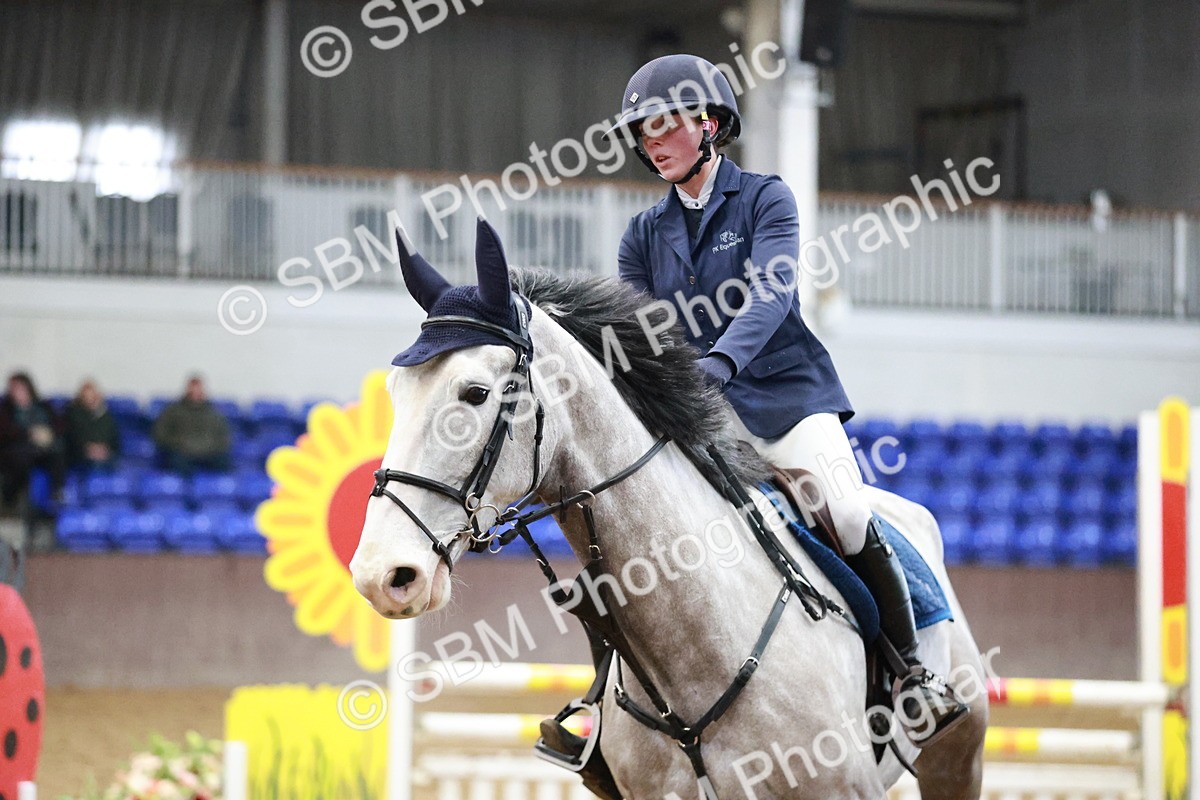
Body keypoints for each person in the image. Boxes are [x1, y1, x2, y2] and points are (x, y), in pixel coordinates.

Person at [609, 54, 968, 745]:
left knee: (848, 511)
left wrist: (718, 363)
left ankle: (912, 673)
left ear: (708, 124)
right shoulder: (641, 236)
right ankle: (606, 708)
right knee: (634, 531)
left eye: (664, 124)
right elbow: (642, 331)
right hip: (702, 414)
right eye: (643, 130)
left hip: (786, 398)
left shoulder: (766, 199)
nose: (652, 141)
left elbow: (772, 293)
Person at [0, 372, 66, 512]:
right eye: (13, 388)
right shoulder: (5, 408)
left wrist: (49, 433)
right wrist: (29, 434)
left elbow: (59, 424)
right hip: (18, 447)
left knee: (59, 450)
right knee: (20, 457)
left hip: (44, 447)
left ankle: (57, 494)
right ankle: (12, 499)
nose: (16, 391)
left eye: (19, 387)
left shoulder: (43, 405)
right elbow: (5, 431)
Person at [152, 376, 231, 475]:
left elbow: (225, 437)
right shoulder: (173, 411)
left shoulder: (214, 413)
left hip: (209, 453)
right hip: (182, 452)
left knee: (223, 462)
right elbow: (160, 433)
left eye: (198, 389)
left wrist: (212, 447)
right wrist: (177, 444)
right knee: (176, 462)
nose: (195, 392)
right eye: (193, 389)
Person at [64, 379, 120, 470]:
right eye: (87, 397)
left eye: (93, 396)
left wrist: (106, 449)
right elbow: (74, 437)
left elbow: (115, 440)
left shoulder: (106, 416)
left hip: (105, 454)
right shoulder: (73, 414)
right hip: (82, 456)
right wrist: (88, 449)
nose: (90, 400)